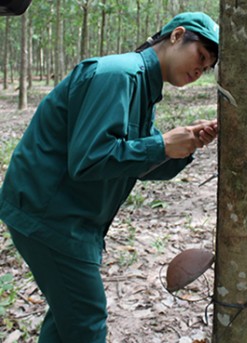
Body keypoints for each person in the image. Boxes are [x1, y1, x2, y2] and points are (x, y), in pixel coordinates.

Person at [0, 12, 219, 343]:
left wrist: (184, 146)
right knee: (86, 319)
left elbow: (133, 163)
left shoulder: (143, 89)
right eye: (200, 56)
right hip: (49, 215)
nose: (199, 70)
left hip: (73, 217)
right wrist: (161, 144)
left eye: (205, 69)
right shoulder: (118, 74)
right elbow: (90, 160)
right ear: (176, 35)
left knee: (67, 317)